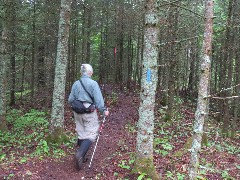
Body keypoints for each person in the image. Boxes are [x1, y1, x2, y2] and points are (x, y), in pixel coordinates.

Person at [68, 64, 109, 170]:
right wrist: (103, 110)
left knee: (81, 132)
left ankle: (82, 157)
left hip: (77, 110)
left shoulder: (76, 83)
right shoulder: (93, 84)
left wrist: (78, 105)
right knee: (91, 133)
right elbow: (99, 101)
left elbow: (70, 99)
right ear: (90, 73)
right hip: (88, 111)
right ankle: (80, 154)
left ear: (81, 73)